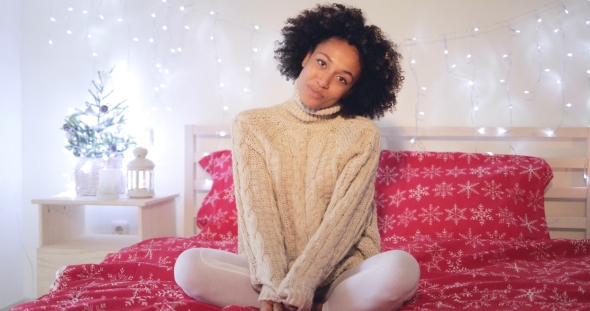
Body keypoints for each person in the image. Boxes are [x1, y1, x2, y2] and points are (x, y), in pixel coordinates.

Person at [174, 3, 420, 311]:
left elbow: (344, 222)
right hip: (268, 277)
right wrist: (275, 285)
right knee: (188, 266)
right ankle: (301, 305)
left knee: (402, 268)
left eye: (342, 78)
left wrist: (303, 283)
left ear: (352, 90)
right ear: (305, 55)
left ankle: (318, 304)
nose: (324, 81)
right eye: (321, 62)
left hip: (342, 276)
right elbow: (258, 212)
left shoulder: (362, 134)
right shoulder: (251, 125)